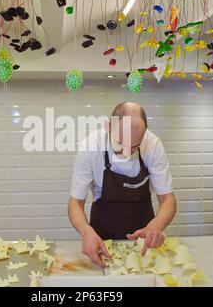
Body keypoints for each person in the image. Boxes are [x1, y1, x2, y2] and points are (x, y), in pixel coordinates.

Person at [68, 102, 177, 266]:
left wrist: (157, 225)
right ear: (108, 126)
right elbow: (75, 203)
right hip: (102, 239)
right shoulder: (91, 147)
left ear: (145, 131)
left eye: (134, 147)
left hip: (143, 241)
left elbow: (168, 199)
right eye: (120, 143)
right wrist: (86, 232)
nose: (126, 153)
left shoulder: (153, 145)